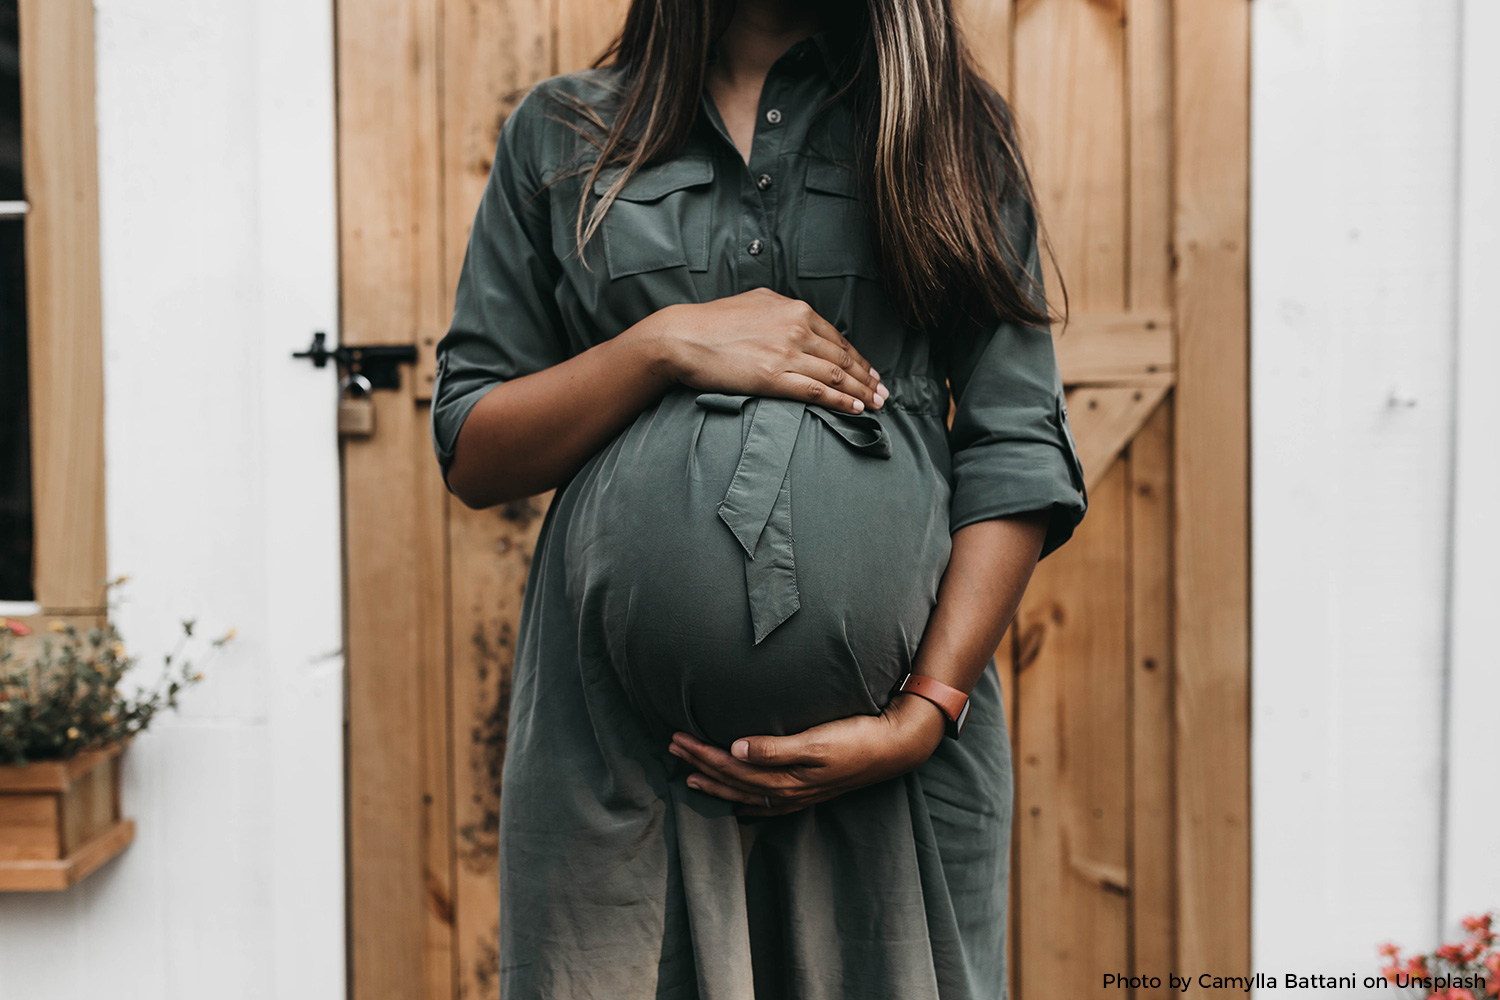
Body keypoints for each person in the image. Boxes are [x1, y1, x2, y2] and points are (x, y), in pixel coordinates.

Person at [430, 0, 1087, 995]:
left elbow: (1016, 443)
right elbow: (475, 447)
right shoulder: (561, 134)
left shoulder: (948, 132)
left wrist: (922, 713)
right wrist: (661, 345)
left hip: (895, 768)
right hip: (620, 768)